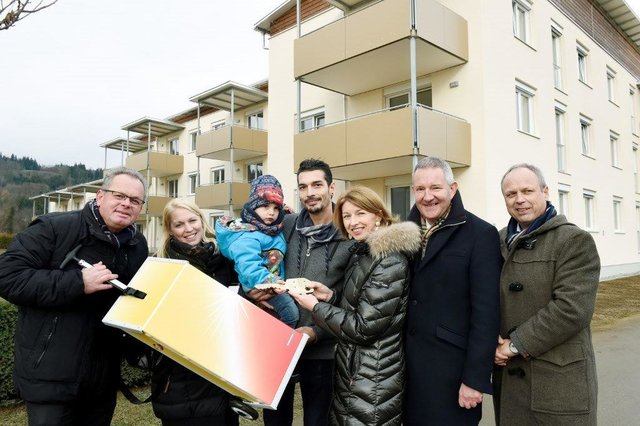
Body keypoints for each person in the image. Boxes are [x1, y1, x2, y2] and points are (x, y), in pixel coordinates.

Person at [0, 167, 148, 426]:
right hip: (50, 378)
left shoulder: (137, 246)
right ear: (100, 196)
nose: (127, 204)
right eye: (119, 195)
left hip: (102, 382)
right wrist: (77, 282)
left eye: (135, 200)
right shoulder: (55, 228)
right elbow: (7, 276)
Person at [291, 186, 421, 425]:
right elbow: (361, 306)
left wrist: (314, 307)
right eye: (347, 216)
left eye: (360, 213)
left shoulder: (389, 261)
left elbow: (364, 327)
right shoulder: (365, 254)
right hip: (358, 375)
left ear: (378, 216)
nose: (352, 222)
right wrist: (329, 296)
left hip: (373, 381)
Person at [493, 164, 600, 425]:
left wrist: (515, 345)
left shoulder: (574, 240)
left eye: (527, 191)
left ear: (546, 191)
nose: (519, 200)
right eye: (511, 194)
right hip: (509, 385)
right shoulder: (498, 240)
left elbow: (572, 309)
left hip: (558, 386)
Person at [403, 156, 502, 425]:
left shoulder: (480, 234)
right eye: (420, 189)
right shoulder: (404, 234)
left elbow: (487, 314)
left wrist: (474, 379)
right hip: (407, 375)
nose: (427, 196)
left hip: (452, 376)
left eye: (435, 187)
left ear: (453, 189)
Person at [258, 159, 353, 426]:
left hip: (323, 349)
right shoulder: (284, 225)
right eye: (303, 186)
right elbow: (252, 257)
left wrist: (316, 332)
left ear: (331, 188)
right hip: (280, 344)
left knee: (317, 422)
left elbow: (350, 298)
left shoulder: (348, 232)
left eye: (317, 185)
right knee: (275, 422)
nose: (310, 193)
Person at [151, 198, 239, 426]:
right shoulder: (161, 267)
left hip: (223, 378)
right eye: (179, 224)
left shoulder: (223, 261)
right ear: (169, 230)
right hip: (181, 383)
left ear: (202, 220)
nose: (189, 229)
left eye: (193, 220)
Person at [216, 174, 298, 328]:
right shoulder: (248, 236)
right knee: (290, 313)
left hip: (272, 283)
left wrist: (285, 211)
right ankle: (283, 346)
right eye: (265, 206)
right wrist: (271, 282)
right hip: (258, 285)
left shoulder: (270, 228)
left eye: (275, 208)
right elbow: (249, 267)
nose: (271, 213)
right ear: (253, 206)